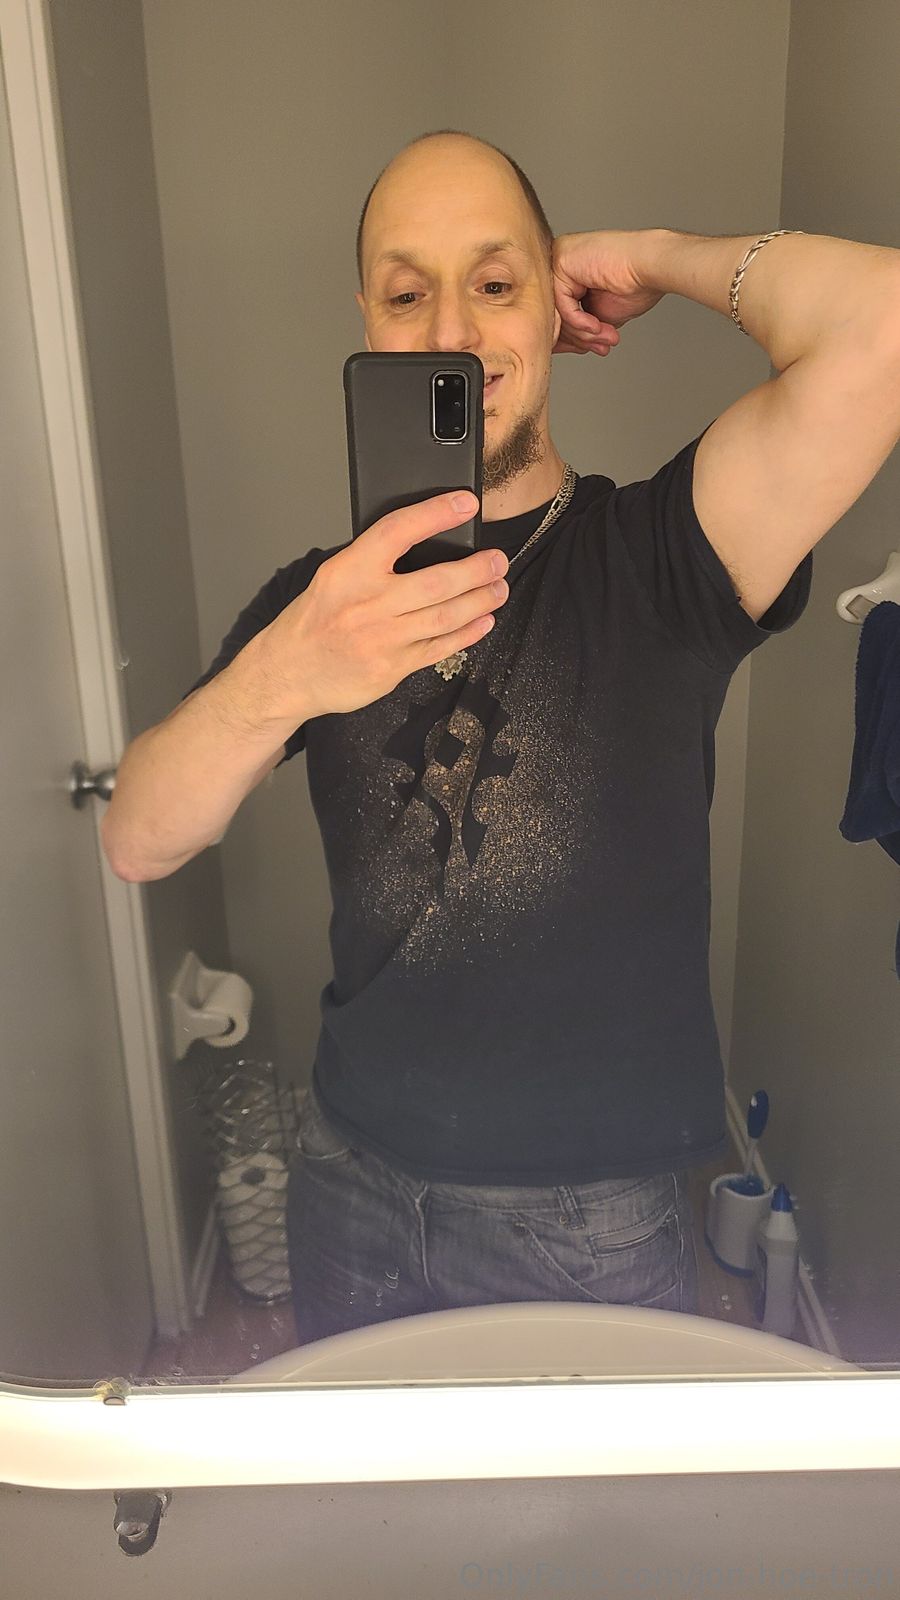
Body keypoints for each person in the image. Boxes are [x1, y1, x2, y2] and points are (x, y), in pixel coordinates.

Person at [102, 132, 813, 1346]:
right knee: (364, 1474)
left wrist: (648, 258)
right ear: (368, 326)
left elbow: (880, 332)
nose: (450, 332)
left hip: (591, 1213)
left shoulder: (668, 554)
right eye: (405, 294)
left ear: (553, 306)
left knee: (590, 1484)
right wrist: (287, 670)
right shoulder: (318, 606)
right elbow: (137, 838)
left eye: (494, 282)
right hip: (348, 1170)